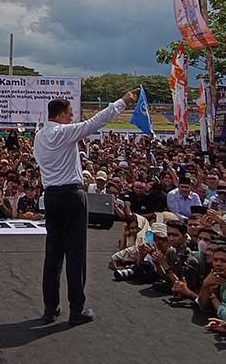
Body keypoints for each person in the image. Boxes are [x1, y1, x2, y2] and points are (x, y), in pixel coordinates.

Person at [34, 90, 137, 326]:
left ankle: (50, 308)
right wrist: (122, 101)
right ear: (60, 115)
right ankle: (76, 309)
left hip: (50, 195)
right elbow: (94, 123)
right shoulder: (64, 132)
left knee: (53, 254)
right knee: (75, 254)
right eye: (70, 114)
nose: (72, 118)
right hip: (71, 195)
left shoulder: (39, 136)